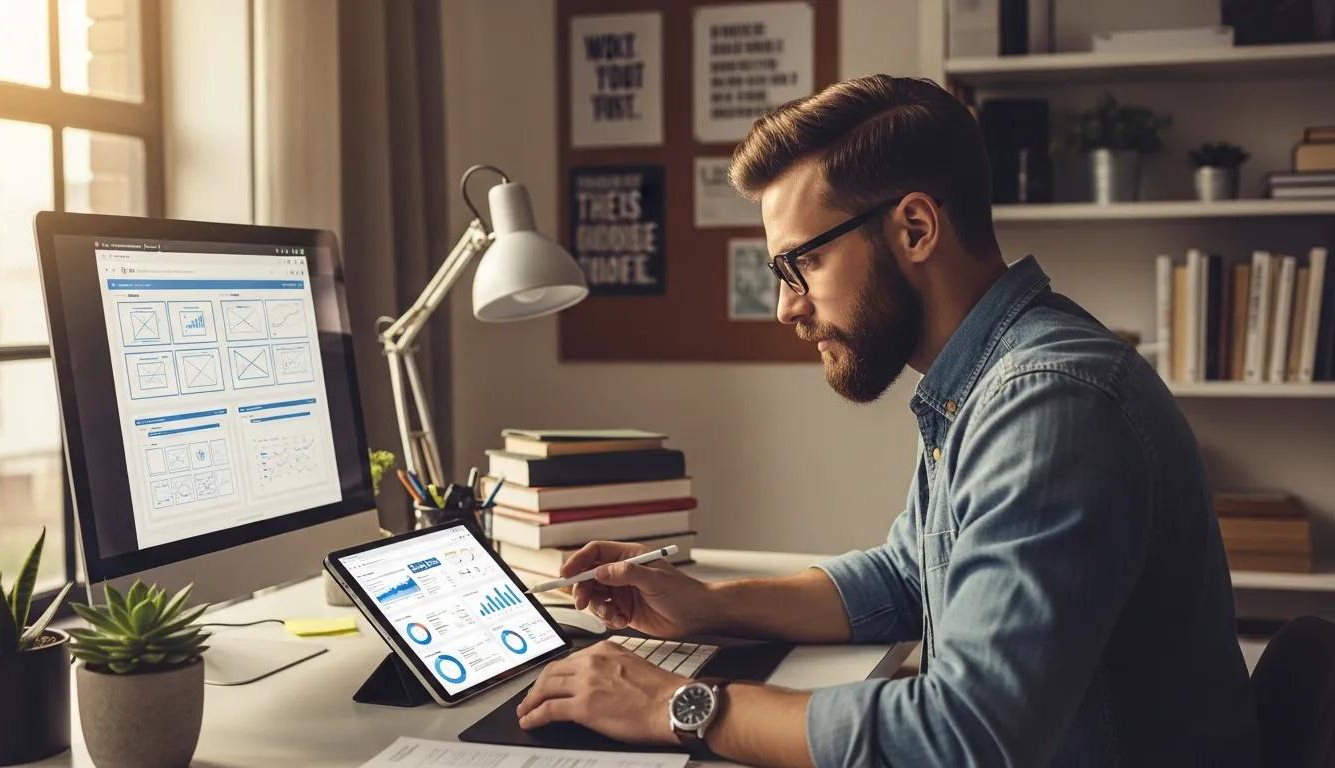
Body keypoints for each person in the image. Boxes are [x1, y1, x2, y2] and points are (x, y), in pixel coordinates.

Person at [515, 75, 1257, 767]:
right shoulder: (987, 379)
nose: (787, 307)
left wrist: (676, 704)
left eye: (802, 264)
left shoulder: (1047, 401)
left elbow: (965, 734)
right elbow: (908, 579)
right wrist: (708, 603)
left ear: (915, 228)